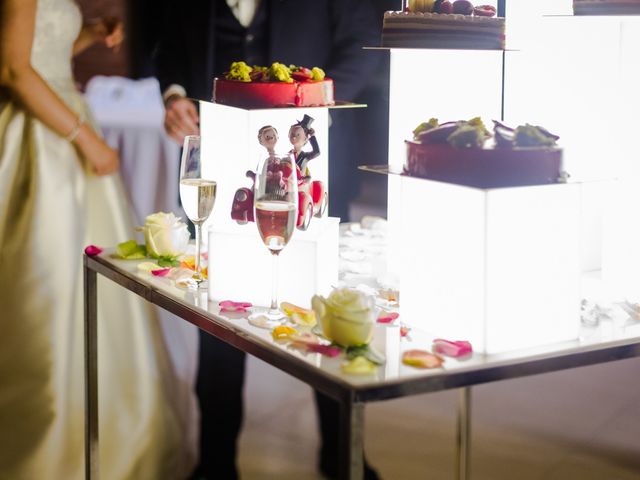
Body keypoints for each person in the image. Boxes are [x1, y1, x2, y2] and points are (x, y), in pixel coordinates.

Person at [153, 1, 381, 478]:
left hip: (312, 167)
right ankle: (216, 461)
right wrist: (174, 95)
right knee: (217, 308)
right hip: (220, 166)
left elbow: (361, 46)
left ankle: (342, 456)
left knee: (326, 308)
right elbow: (170, 41)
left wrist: (314, 122)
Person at [0, 0, 194, 478]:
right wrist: (87, 140)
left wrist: (86, 32)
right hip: (40, 139)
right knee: (42, 292)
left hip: (60, 125)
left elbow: (36, 38)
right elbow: (14, 68)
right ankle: (41, 454)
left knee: (91, 298)